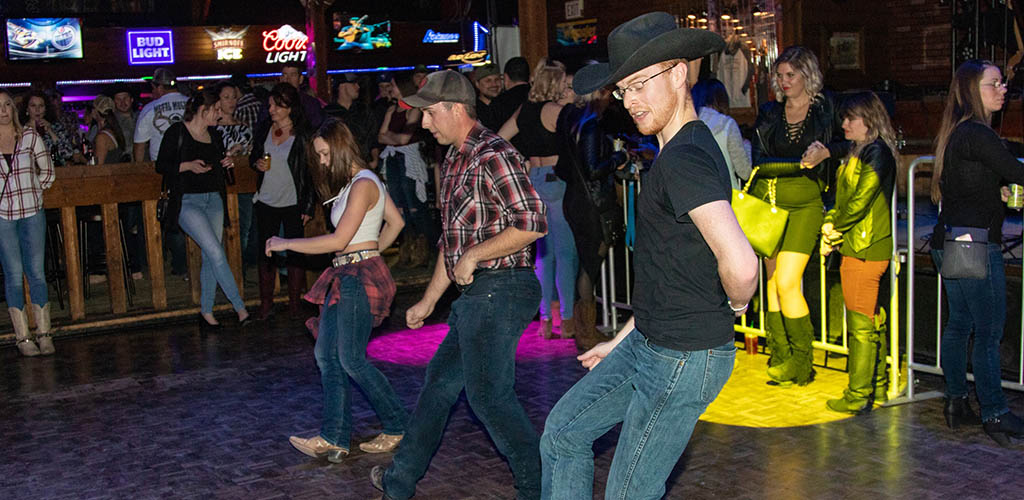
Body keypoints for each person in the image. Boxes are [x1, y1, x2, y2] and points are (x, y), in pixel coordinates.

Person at [540, 13, 757, 499]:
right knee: (564, 433)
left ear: (679, 74)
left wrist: (736, 305)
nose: (631, 101)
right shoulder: (681, 149)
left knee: (629, 492)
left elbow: (741, 265)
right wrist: (619, 342)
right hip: (650, 344)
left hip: (681, 357)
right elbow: (672, 274)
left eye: (640, 85)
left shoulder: (684, 160)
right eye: (623, 90)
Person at [369, 70, 547, 500]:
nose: (424, 124)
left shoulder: (493, 153)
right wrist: (429, 301)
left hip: (503, 288)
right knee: (439, 387)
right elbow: (453, 245)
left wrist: (474, 256)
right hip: (481, 292)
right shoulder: (453, 160)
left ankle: (540, 487)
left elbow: (533, 223)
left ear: (455, 109)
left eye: (430, 114)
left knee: (489, 398)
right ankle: (398, 483)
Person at [269, 119, 409, 463]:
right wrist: (374, 252)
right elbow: (396, 222)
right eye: (318, 155)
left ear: (342, 147)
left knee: (350, 359)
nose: (321, 161)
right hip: (346, 273)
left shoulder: (363, 183)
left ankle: (398, 424)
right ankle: (334, 436)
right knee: (326, 355)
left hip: (356, 276)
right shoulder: (356, 184)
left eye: (325, 153)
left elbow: (339, 240)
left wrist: (286, 242)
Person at [927, 59, 1024, 446]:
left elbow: (968, 185)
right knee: (987, 330)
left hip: (951, 240)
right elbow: (1018, 171)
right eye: (994, 83)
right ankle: (995, 412)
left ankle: (955, 402)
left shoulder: (959, 132)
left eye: (1003, 83)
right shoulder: (978, 134)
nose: (1003, 89)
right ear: (972, 90)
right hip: (972, 244)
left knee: (960, 325)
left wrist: (994, 193)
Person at [750, 46, 840, 386]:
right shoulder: (770, 112)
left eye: (791, 75)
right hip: (771, 205)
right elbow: (759, 160)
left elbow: (849, 144)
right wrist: (801, 165)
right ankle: (781, 354)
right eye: (781, 75)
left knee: (788, 282)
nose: (784, 81)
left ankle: (803, 362)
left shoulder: (824, 108)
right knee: (773, 283)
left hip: (806, 206)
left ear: (808, 75)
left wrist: (828, 151)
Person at [818, 92, 896, 414]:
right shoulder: (862, 151)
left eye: (851, 118)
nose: (844, 123)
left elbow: (860, 200)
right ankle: (874, 386)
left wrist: (833, 227)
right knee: (871, 320)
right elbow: (846, 199)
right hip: (862, 245)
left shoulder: (875, 152)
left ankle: (858, 394)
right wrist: (832, 220)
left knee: (862, 324)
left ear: (869, 120)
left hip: (864, 246)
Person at [156, 88, 251, 328]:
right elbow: (161, 165)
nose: (219, 115)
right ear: (203, 110)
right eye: (216, 110)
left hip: (213, 198)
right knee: (216, 252)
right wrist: (187, 165)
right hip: (187, 201)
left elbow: (218, 167)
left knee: (212, 254)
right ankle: (240, 307)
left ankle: (206, 311)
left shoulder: (215, 135)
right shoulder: (177, 131)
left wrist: (227, 160)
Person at [500, 60, 577, 340]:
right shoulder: (558, 112)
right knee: (566, 252)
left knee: (544, 254)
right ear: (556, 84)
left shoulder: (525, 111)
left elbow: (500, 139)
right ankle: (567, 320)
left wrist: (521, 161)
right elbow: (576, 146)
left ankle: (545, 320)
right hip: (557, 180)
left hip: (534, 180)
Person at [555, 69, 627, 352]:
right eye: (608, 91)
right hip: (590, 205)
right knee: (589, 266)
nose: (612, 97)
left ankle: (584, 328)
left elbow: (567, 166)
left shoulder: (570, 119)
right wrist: (618, 157)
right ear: (598, 92)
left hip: (576, 200)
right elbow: (593, 168)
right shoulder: (591, 126)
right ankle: (586, 331)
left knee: (585, 265)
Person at [250, 83, 316, 320]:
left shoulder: (303, 133)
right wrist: (256, 163)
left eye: (277, 105)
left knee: (295, 252)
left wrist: (308, 205)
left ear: (289, 107)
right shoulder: (264, 128)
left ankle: (295, 304)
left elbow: (311, 172)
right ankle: (266, 303)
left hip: (292, 201)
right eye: (270, 105)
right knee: (265, 253)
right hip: (266, 199)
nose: (271, 109)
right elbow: (253, 156)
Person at [0, 89, 56, 357]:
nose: (3, 110)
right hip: (2, 216)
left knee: (36, 273)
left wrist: (34, 190)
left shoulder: (30, 136)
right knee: (12, 275)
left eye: (7, 104)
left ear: (14, 109)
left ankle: (44, 333)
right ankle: (23, 337)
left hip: (32, 211)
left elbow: (47, 171)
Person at [379, 73, 431, 269]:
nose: (391, 89)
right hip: (393, 158)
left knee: (414, 204)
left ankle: (421, 250)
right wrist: (394, 138)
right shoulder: (392, 109)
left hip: (408, 159)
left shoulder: (414, 110)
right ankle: (405, 250)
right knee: (398, 205)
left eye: (393, 85)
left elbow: (404, 139)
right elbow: (381, 136)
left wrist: (391, 137)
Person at [214, 80, 257, 271]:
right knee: (223, 228)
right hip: (220, 184)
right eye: (226, 97)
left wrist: (246, 151)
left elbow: (253, 153)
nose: (231, 101)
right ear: (218, 101)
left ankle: (239, 266)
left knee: (244, 227)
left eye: (233, 97)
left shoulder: (244, 126)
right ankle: (227, 267)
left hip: (244, 182)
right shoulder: (213, 128)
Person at [692, 78, 751, 188]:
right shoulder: (727, 124)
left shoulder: (687, 124)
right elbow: (745, 172)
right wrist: (746, 145)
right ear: (721, 99)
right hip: (726, 197)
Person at [134, 67, 189, 162]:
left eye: (153, 88)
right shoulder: (193, 104)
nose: (152, 92)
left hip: (162, 167)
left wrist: (139, 170)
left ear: (159, 88)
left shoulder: (149, 109)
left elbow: (140, 145)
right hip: (191, 165)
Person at [324, 73, 374, 163]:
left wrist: (374, 160)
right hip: (339, 164)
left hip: (364, 162)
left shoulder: (363, 110)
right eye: (353, 83)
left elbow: (373, 137)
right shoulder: (328, 112)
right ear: (342, 86)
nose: (357, 87)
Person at [20, 90, 79, 166]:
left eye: (41, 106)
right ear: (27, 109)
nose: (37, 110)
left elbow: (68, 153)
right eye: (33, 106)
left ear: (46, 109)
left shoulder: (56, 126)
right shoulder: (20, 130)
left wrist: (50, 131)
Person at [280, 61, 326, 129]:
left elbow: (317, 127)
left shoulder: (311, 104)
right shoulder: (272, 103)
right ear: (280, 79)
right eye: (285, 75)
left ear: (300, 79)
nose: (288, 80)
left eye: (293, 75)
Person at [90, 96, 129, 165]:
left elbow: (98, 167)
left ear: (95, 111)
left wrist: (81, 158)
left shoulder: (102, 137)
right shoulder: (113, 130)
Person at [472, 63, 503, 131]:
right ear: (477, 84)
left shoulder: (507, 105)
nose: (494, 84)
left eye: (497, 79)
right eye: (488, 81)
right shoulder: (473, 111)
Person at [111, 85, 138, 161]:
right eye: (118, 99)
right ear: (114, 102)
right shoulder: (112, 122)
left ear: (131, 99)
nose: (122, 102)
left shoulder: (141, 117)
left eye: (125, 98)